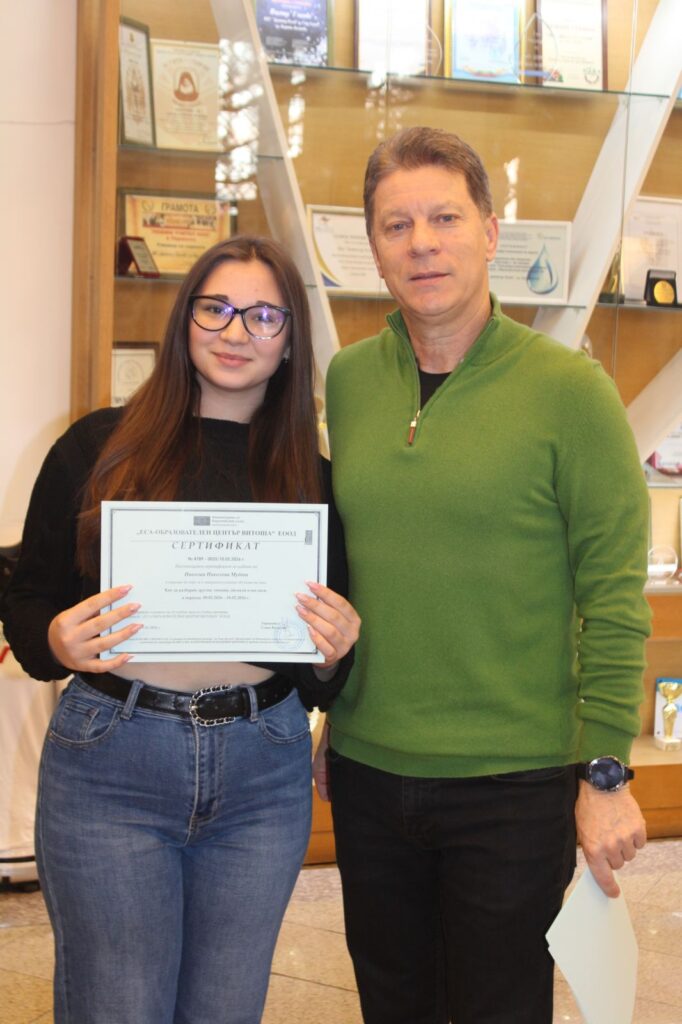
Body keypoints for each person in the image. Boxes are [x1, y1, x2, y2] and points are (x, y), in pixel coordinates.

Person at [314, 126, 650, 1024]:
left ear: (491, 233)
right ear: (373, 248)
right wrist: (334, 706)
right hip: (369, 772)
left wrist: (606, 774)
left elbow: (615, 599)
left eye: (445, 218)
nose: (422, 243)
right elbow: (360, 568)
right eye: (396, 225)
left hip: (513, 785)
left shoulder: (570, 392)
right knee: (394, 1005)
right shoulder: (350, 381)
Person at [1, 235, 360, 1024]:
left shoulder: (312, 478)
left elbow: (321, 677)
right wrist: (57, 639)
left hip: (263, 769)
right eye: (216, 308)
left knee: (226, 1009)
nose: (236, 332)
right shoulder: (97, 447)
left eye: (264, 316)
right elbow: (26, 603)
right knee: (118, 1006)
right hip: (112, 762)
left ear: (290, 340)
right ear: (184, 321)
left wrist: (335, 652)